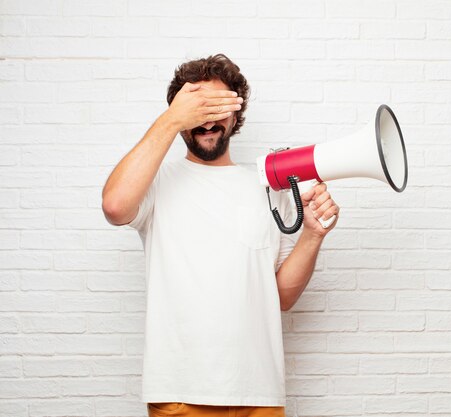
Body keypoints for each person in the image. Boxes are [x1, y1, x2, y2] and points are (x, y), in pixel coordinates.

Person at [101, 54, 339, 417]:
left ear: (236, 115)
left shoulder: (268, 187)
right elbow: (115, 207)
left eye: (218, 106)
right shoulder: (156, 182)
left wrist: (312, 236)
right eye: (198, 108)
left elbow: (282, 297)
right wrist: (171, 119)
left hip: (259, 394)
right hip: (179, 391)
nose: (208, 119)